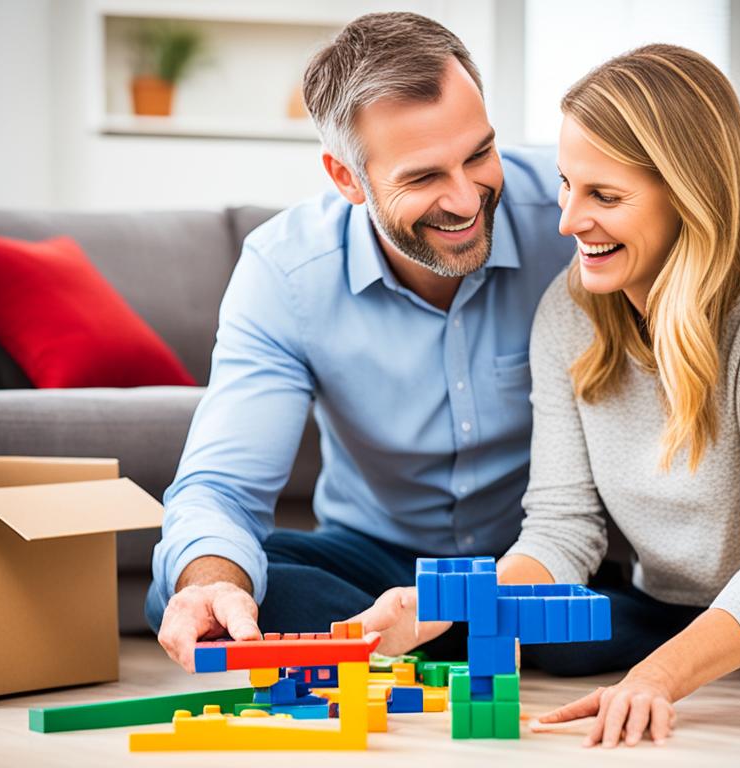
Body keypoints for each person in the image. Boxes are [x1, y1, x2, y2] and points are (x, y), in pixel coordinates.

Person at [358, 44, 740, 748]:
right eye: (566, 185)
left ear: (689, 195)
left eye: (604, 197)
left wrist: (656, 678)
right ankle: (711, 640)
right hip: (675, 596)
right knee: (550, 631)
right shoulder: (569, 310)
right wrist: (434, 610)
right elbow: (562, 529)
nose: (568, 221)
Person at [146, 12, 574, 672]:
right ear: (347, 179)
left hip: (544, 550)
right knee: (199, 593)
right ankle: (486, 637)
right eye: (424, 177)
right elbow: (222, 488)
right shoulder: (284, 272)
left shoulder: (575, 218)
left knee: (612, 599)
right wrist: (214, 583)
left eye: (479, 154)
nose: (466, 199)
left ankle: (444, 635)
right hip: (373, 558)